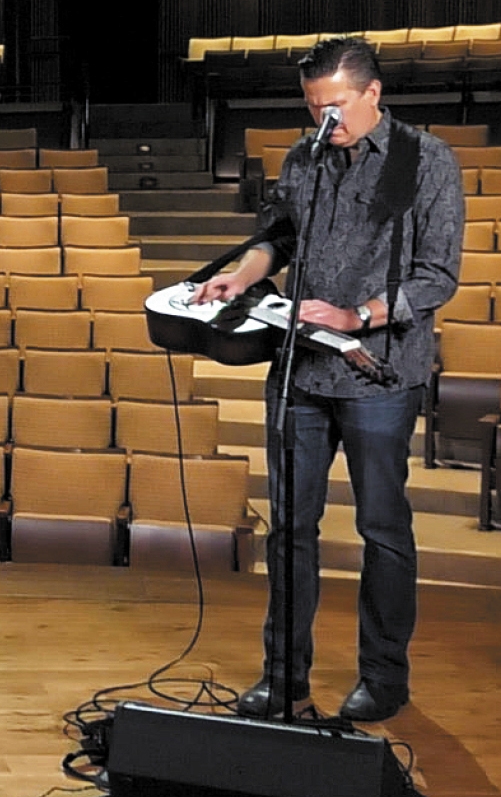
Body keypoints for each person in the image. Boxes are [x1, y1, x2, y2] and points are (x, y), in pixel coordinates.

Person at [194, 36, 462, 723]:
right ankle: (283, 678)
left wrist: (358, 314)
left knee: (382, 529)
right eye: (314, 108)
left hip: (380, 376)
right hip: (300, 375)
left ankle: (384, 676)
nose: (324, 122)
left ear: (373, 94)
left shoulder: (427, 162)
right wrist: (240, 274)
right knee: (290, 530)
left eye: (335, 107)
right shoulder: (303, 158)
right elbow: (279, 237)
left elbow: (437, 275)